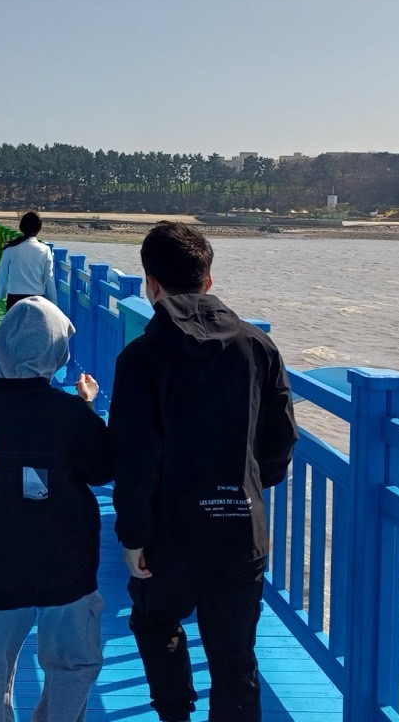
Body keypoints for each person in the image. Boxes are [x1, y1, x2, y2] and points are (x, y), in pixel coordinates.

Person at [108, 222, 298, 722]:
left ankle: (175, 713)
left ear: (150, 284)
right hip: (239, 529)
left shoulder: (141, 357)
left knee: (155, 619)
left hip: (168, 531)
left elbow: (133, 456)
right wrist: (249, 484)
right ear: (208, 280)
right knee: (235, 658)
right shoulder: (258, 346)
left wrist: (133, 534)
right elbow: (281, 440)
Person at [0, 297, 110, 722]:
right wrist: (87, 407)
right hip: (65, 564)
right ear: (57, 350)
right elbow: (101, 467)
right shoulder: (67, 412)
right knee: (74, 662)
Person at [0, 211, 57, 311]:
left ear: (22, 227)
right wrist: (54, 303)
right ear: (39, 228)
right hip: (38, 300)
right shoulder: (45, 250)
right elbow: (49, 278)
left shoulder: (10, 249)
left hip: (14, 299)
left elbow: (3, 274)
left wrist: (1, 294)